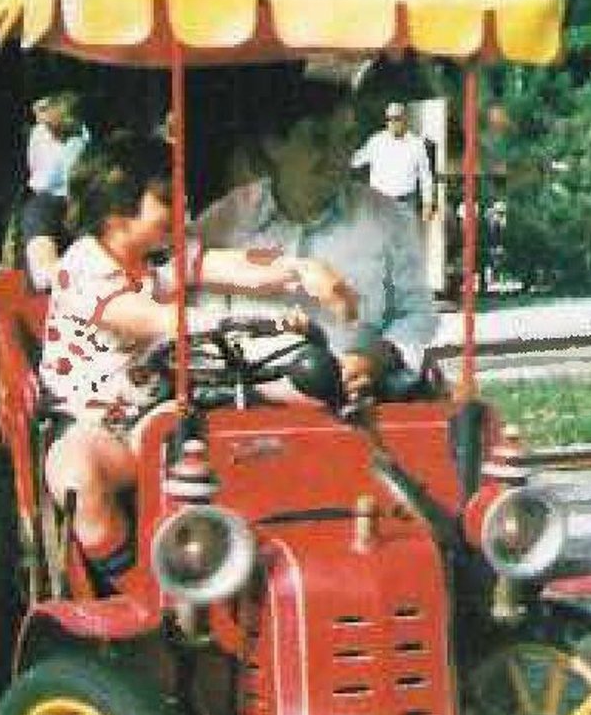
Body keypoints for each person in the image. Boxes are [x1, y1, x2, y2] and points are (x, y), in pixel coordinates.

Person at [42, 133, 356, 595]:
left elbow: (230, 264)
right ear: (116, 209)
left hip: (158, 403)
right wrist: (239, 321)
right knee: (77, 476)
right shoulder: (82, 269)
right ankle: (134, 585)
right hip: (93, 420)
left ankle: (291, 541)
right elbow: (156, 320)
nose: (181, 206)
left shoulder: (158, 256)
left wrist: (301, 271)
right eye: (166, 199)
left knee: (279, 409)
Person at [201, 73, 439, 402]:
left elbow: (418, 316)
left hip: (363, 415)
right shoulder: (225, 222)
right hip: (249, 418)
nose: (339, 156)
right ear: (274, 144)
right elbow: (177, 283)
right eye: (318, 139)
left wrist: (377, 358)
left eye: (346, 139)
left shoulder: (388, 220)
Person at [21, 93, 89, 290]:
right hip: (47, 200)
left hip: (73, 200)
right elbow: (44, 277)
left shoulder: (81, 136)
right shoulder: (42, 209)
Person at [349, 101, 435, 220]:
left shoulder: (417, 144)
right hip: (378, 204)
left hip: (406, 203)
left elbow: (425, 175)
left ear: (405, 120)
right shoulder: (376, 141)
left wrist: (428, 203)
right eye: (389, 119)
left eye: (397, 119)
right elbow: (355, 160)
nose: (393, 123)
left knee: (405, 237)